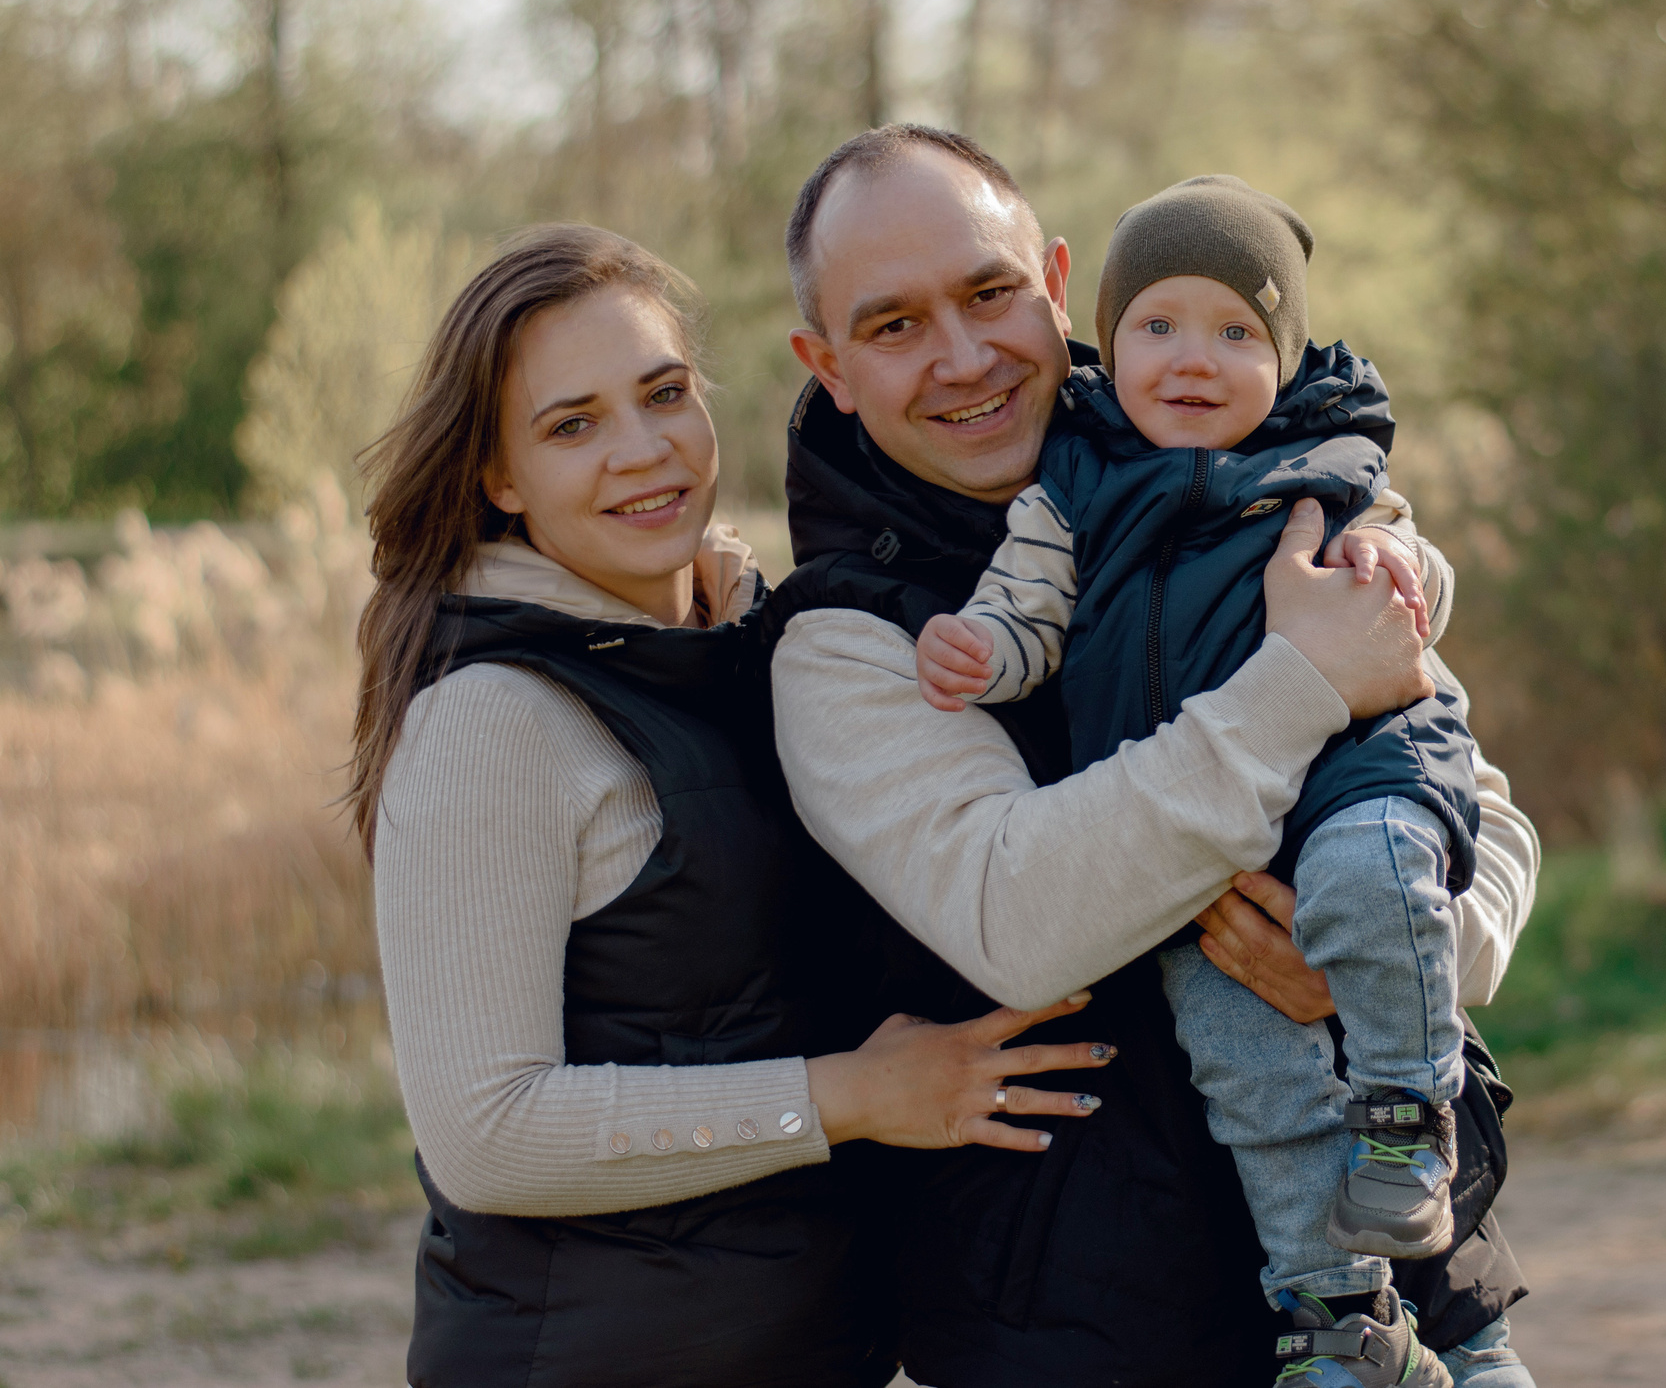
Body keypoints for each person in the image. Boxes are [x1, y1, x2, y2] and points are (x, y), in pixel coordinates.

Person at [769, 126, 1540, 1388]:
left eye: (987, 294)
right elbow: (1023, 915)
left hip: (1413, 1294)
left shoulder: (1249, 472)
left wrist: (1376, 958)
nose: (964, 359)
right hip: (1093, 1330)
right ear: (829, 365)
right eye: (894, 326)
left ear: (1056, 285)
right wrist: (1298, 682)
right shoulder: (845, 639)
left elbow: (1485, 811)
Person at [352, 224, 1111, 1388]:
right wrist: (849, 1097)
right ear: (499, 479)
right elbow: (487, 1136)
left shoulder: (754, 644)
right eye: (573, 425)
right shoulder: (490, 720)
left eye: (665, 394)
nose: (644, 450)